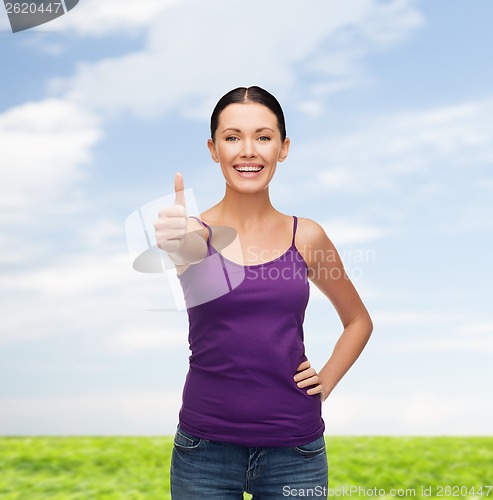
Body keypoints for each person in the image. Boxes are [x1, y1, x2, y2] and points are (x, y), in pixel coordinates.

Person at [154, 86, 373, 499]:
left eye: (264, 137)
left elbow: (358, 321)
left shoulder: (307, 237)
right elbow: (186, 247)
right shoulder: (193, 236)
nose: (248, 151)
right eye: (232, 137)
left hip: (296, 449)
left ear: (284, 148)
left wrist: (325, 381)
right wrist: (177, 236)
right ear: (213, 148)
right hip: (204, 452)